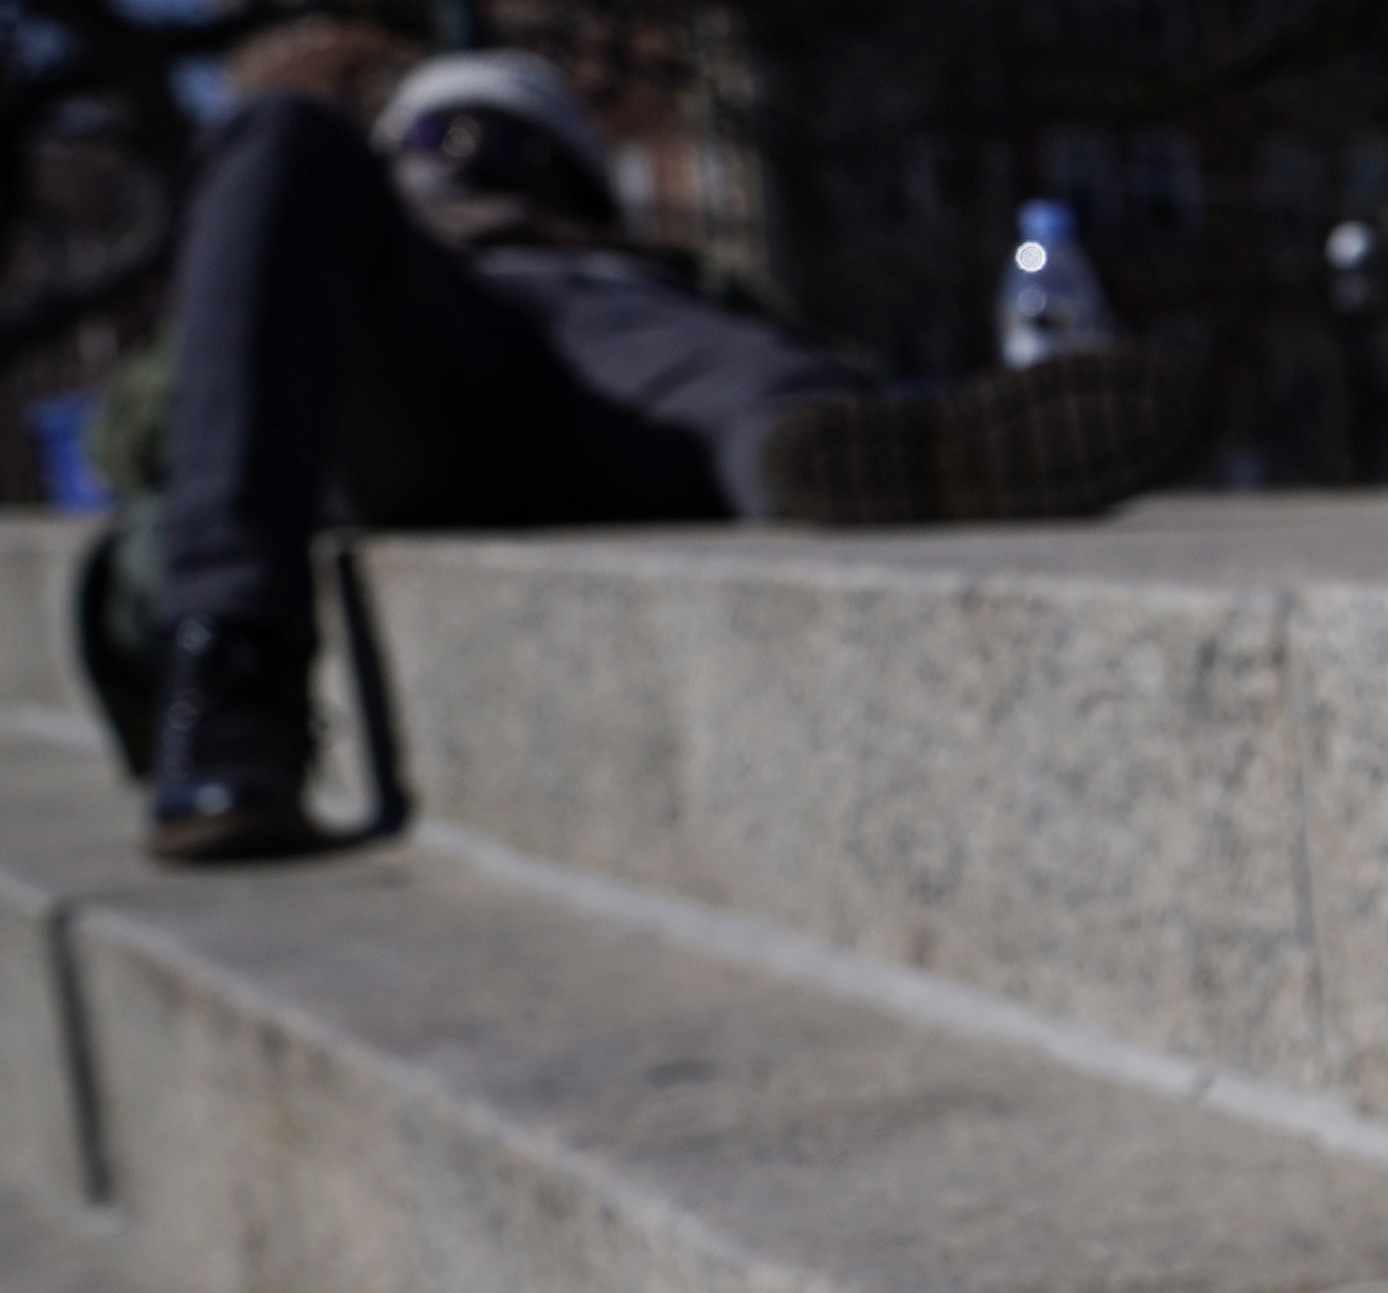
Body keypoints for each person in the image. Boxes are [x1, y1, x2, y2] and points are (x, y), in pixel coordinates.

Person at [89, 53, 1208, 865]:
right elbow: (153, 426)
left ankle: (875, 457)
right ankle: (231, 680)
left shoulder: (654, 274)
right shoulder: (333, 254)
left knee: (776, 402)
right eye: (439, 156)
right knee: (278, 123)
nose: (480, 180)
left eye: (518, 162)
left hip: (632, 375)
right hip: (425, 382)